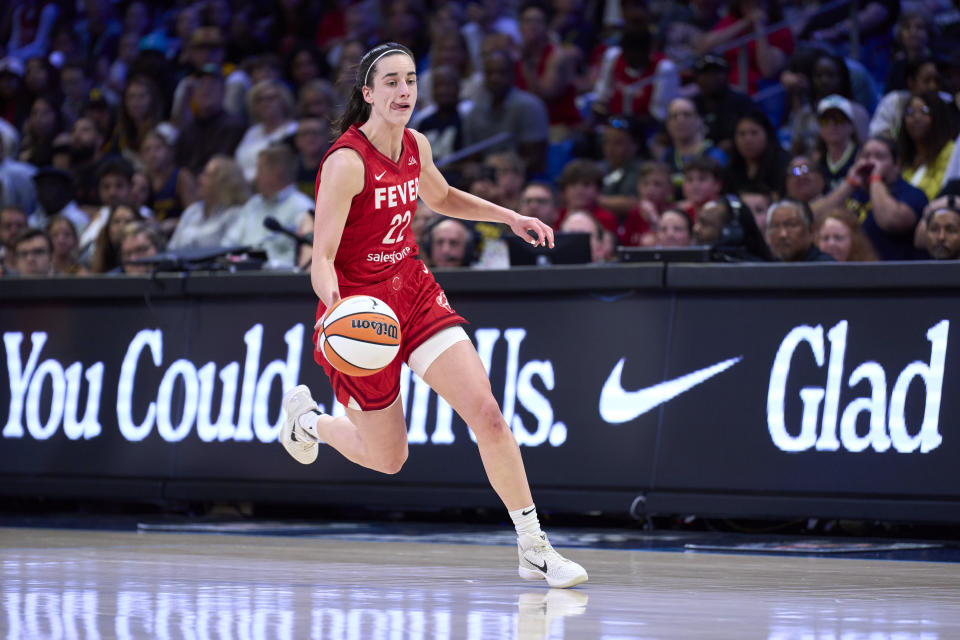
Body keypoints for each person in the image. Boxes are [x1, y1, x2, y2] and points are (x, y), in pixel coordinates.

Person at [282, 42, 587, 589]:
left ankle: (533, 546)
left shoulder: (416, 146)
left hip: (415, 292)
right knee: (388, 457)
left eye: (411, 80)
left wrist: (510, 217)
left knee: (488, 414)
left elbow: (442, 197)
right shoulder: (346, 162)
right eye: (391, 82)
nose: (404, 91)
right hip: (362, 314)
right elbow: (320, 259)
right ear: (368, 93)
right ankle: (310, 423)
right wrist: (338, 309)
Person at [813, 136, 928, 260]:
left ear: (897, 163)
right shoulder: (849, 191)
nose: (871, 162)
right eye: (865, 156)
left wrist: (875, 179)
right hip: (848, 271)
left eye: (879, 157)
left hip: (891, 273)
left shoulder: (911, 194)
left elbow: (891, 221)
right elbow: (814, 218)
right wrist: (849, 184)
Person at [222, 144, 314, 268]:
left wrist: (265, 266)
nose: (255, 177)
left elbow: (302, 261)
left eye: (259, 170)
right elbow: (229, 241)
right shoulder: (253, 203)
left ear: (277, 173)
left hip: (277, 281)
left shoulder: (303, 208)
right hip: (238, 273)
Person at [169, 155, 248, 251]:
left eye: (206, 175)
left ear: (223, 182)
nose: (199, 179)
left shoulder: (234, 214)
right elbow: (172, 247)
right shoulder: (192, 211)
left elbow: (229, 252)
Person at [898, 91, 959, 201]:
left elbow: (935, 195)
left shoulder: (950, 152)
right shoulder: (903, 157)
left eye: (924, 111)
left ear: (937, 116)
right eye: (910, 112)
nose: (916, 118)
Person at [235, 80, 299, 182]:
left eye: (271, 98)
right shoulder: (252, 132)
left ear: (283, 100)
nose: (265, 103)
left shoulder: (294, 130)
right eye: (259, 100)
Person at [766, 199, 835, 262]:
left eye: (791, 225)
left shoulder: (826, 267)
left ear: (811, 231)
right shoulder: (765, 267)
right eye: (775, 226)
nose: (782, 234)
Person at [0, 205, 29, 273]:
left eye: (19, 225)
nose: (14, 231)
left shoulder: (39, 261)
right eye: (8, 226)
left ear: (27, 228)